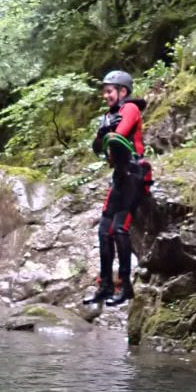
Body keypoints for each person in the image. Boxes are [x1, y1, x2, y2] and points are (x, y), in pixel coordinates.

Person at [83, 69, 151, 307]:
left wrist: (107, 133)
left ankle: (125, 286)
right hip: (120, 175)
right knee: (104, 230)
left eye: (109, 91)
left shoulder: (130, 109)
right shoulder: (109, 115)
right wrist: (102, 132)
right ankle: (105, 286)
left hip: (134, 174)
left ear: (123, 91)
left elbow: (117, 138)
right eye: (104, 92)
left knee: (120, 229)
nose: (106, 96)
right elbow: (97, 147)